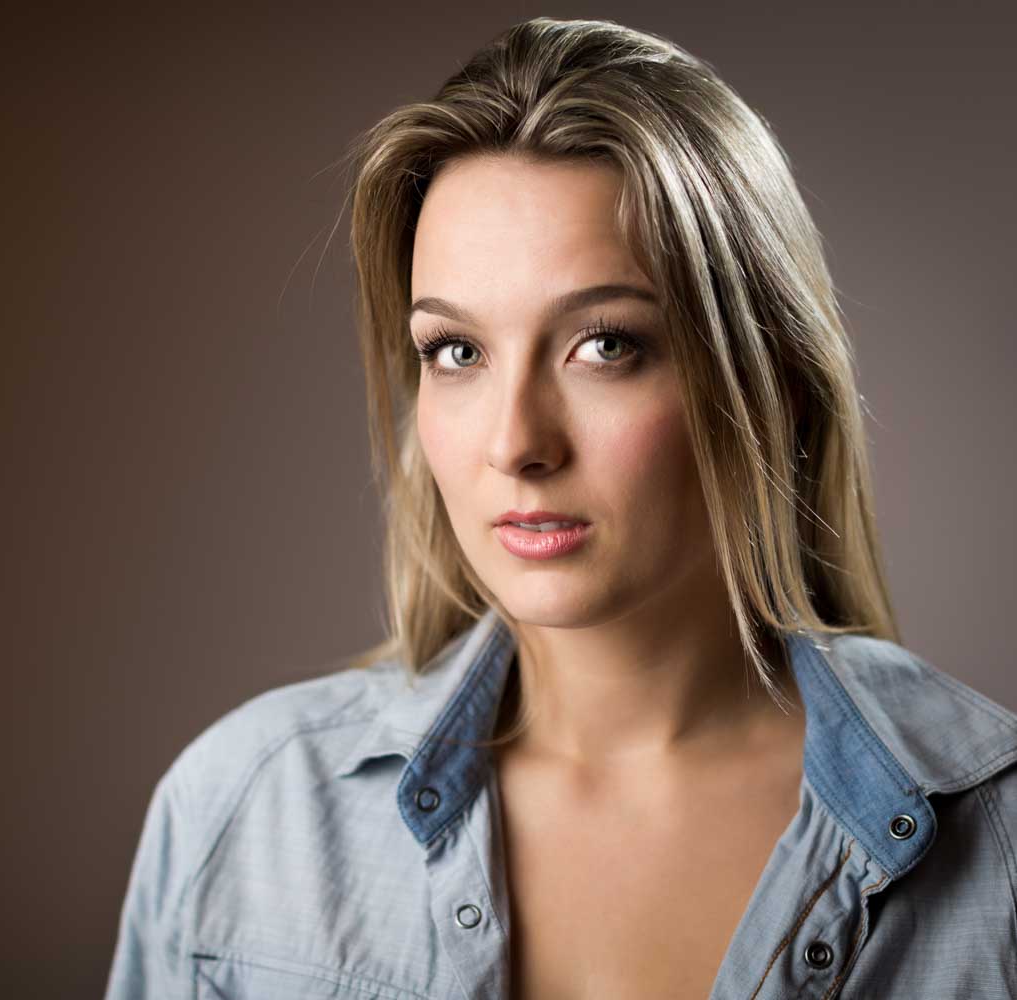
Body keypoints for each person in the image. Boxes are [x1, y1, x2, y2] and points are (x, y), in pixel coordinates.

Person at [104, 17, 1017, 999]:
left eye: (604, 345)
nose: (515, 443)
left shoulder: (998, 853)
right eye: (457, 350)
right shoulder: (244, 812)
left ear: (773, 381)